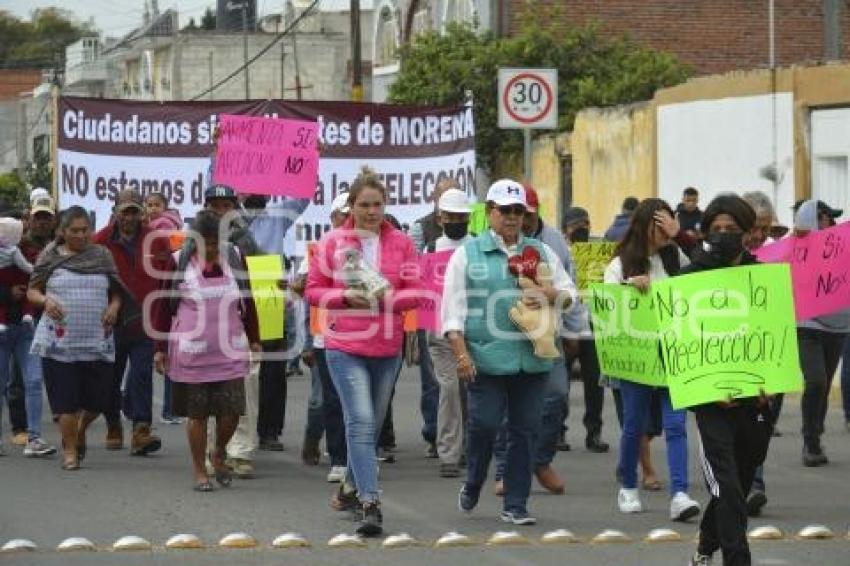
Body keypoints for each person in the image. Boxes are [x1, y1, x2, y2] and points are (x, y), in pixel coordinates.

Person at [444, 180, 576, 526]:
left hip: (532, 358)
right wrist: (461, 354)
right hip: (485, 358)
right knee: (485, 425)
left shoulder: (540, 251)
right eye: (505, 210)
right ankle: (473, 482)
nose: (513, 217)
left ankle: (516, 504)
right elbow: (451, 310)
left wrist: (550, 294)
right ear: (489, 213)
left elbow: (569, 295)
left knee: (525, 430)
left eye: (519, 211)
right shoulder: (467, 254)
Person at [305, 167, 422, 536]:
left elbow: (416, 291)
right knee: (359, 420)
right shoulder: (332, 242)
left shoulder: (402, 243)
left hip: (387, 346)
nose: (372, 212)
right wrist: (343, 296)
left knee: (369, 428)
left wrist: (386, 299)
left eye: (378, 204)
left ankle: (348, 487)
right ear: (351, 207)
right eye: (364, 205)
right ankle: (371, 503)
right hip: (344, 345)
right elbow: (312, 290)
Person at [683, 194, 775, 566]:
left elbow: (775, 337)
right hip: (711, 406)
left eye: (731, 230)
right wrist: (706, 389)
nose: (723, 235)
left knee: (737, 481)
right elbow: (676, 346)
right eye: (716, 229)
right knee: (728, 488)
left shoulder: (762, 279)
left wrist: (770, 382)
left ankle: (705, 546)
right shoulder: (689, 280)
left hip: (755, 401)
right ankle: (737, 559)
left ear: (747, 233)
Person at [603, 198, 701, 521]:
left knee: (676, 425)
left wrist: (682, 235)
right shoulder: (620, 265)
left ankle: (680, 493)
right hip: (638, 357)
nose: (663, 231)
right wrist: (630, 288)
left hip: (673, 352)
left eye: (668, 223)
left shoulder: (677, 256)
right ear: (643, 225)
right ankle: (628, 485)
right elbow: (607, 308)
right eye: (657, 224)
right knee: (634, 425)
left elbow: (706, 270)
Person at [152, 209, 261, 491]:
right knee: (197, 415)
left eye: (216, 242)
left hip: (230, 349)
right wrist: (160, 348)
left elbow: (248, 299)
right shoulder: (178, 263)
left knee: (232, 411)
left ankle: (219, 451)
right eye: (205, 242)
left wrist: (255, 338)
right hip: (193, 353)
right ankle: (200, 469)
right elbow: (163, 307)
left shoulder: (235, 258)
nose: (211, 248)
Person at [27, 206, 128, 471]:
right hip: (60, 343)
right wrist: (45, 300)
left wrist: (114, 308)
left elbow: (117, 292)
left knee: (99, 400)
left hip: (97, 340)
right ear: (62, 231)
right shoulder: (49, 256)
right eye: (75, 231)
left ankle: (81, 429)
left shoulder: (101, 255)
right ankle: (70, 451)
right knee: (66, 402)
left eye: (86, 230)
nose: (82, 236)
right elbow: (32, 291)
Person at [94, 189, 169, 456]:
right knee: (111, 379)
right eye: (125, 211)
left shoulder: (157, 241)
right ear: (115, 211)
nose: (129, 217)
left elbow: (168, 277)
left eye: (134, 211)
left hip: (146, 322)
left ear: (142, 213)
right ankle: (113, 423)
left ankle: (141, 430)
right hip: (111, 322)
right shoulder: (100, 240)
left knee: (141, 375)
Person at [199, 185, 262, 478]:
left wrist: (255, 336)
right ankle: (211, 449)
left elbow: (251, 293)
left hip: (237, 327)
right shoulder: (192, 242)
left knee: (245, 389)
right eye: (215, 206)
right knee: (209, 392)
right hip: (202, 330)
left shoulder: (245, 242)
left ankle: (241, 451)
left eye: (226, 205)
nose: (221, 211)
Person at [296, 192, 350, 482]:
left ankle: (345, 455)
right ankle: (313, 439)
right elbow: (305, 294)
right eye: (344, 213)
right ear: (333, 218)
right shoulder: (319, 250)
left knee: (352, 401)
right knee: (323, 400)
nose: (348, 218)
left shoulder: (370, 247)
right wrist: (306, 340)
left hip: (358, 338)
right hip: (323, 338)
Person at [793, 199, 848, 467]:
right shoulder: (795, 248)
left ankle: (814, 438)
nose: (830, 223)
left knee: (824, 386)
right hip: (807, 326)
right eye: (825, 218)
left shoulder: (842, 247)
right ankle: (809, 438)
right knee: (815, 381)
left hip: (838, 326)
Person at [409, 180, 459, 458]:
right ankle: (434, 433)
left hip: (466, 324)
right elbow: (416, 269)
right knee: (435, 381)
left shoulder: (473, 239)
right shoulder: (423, 232)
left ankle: (460, 440)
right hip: (434, 318)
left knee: (462, 385)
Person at [426, 188, 473, 479]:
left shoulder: (478, 248)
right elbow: (424, 292)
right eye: (451, 216)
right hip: (440, 333)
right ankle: (449, 453)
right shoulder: (430, 250)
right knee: (450, 388)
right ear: (440, 217)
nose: (457, 221)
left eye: (462, 216)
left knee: (473, 391)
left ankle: (470, 446)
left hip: (474, 329)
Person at [0, 210, 54, 458]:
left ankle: (34, 438)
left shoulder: (30, 253)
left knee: (33, 380)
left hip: (25, 328)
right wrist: (8, 293)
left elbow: (37, 278)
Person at [560, 206, 609, 453]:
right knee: (560, 381)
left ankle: (594, 432)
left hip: (593, 324)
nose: (582, 228)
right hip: (567, 323)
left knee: (594, 382)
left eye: (586, 224)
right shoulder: (560, 252)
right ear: (565, 230)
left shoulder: (598, 253)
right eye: (576, 224)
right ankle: (558, 431)